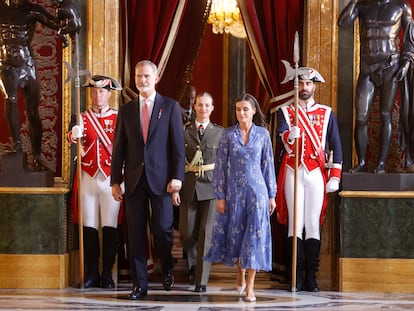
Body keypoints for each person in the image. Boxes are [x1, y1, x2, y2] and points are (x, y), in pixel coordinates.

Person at [110, 60, 185, 300]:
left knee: (162, 229)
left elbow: (177, 148)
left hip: (162, 181)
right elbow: (119, 148)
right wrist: (114, 181)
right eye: (139, 76)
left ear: (156, 78)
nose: (142, 80)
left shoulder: (170, 107)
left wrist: (177, 178)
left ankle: (167, 266)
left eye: (146, 76)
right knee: (136, 234)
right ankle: (139, 285)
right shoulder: (127, 110)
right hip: (134, 180)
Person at [204, 93, 277, 302]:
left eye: (245, 109)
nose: (241, 113)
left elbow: (268, 164)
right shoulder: (228, 135)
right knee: (237, 236)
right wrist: (220, 195)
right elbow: (220, 167)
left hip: (258, 194)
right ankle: (240, 273)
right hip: (234, 193)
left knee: (254, 237)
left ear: (254, 111)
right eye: (238, 109)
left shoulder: (263, 135)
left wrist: (271, 195)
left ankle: (250, 287)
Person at [276, 67, 342, 292]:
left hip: (315, 173)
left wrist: (335, 176)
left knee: (313, 224)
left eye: (308, 84)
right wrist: (288, 135)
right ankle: (295, 276)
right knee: (295, 224)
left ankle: (311, 277)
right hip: (293, 170)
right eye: (301, 83)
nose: (304, 88)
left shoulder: (326, 113)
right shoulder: (285, 112)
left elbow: (336, 145)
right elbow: (282, 138)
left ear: (314, 86)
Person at [338, 0, 413, 173]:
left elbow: (410, 37)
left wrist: (406, 64)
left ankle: (381, 164)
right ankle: (362, 162)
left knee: (385, 115)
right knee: (361, 117)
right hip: (367, 68)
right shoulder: (363, 5)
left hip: (390, 66)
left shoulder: (401, 6)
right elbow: (343, 22)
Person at [68, 75, 122, 288]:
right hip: (88, 176)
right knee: (88, 226)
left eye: (101, 91)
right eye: (93, 91)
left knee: (110, 226)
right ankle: (92, 273)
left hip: (112, 178)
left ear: (109, 94)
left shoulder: (119, 117)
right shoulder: (80, 117)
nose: (97, 95)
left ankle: (107, 272)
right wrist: (74, 132)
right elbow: (70, 136)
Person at [0, 0, 68, 170]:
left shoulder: (31, 9)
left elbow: (56, 24)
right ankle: (17, 147)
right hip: (5, 65)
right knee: (11, 99)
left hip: (27, 64)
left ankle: (37, 156)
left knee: (33, 111)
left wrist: (68, 13)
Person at [178, 92, 223, 293]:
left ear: (212, 108)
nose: (203, 109)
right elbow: (177, 159)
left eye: (207, 105)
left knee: (206, 233)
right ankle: (194, 263)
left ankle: (201, 280)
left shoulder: (220, 133)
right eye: (200, 105)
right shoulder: (183, 131)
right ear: (194, 107)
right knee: (187, 233)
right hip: (188, 186)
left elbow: (224, 165)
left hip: (211, 187)